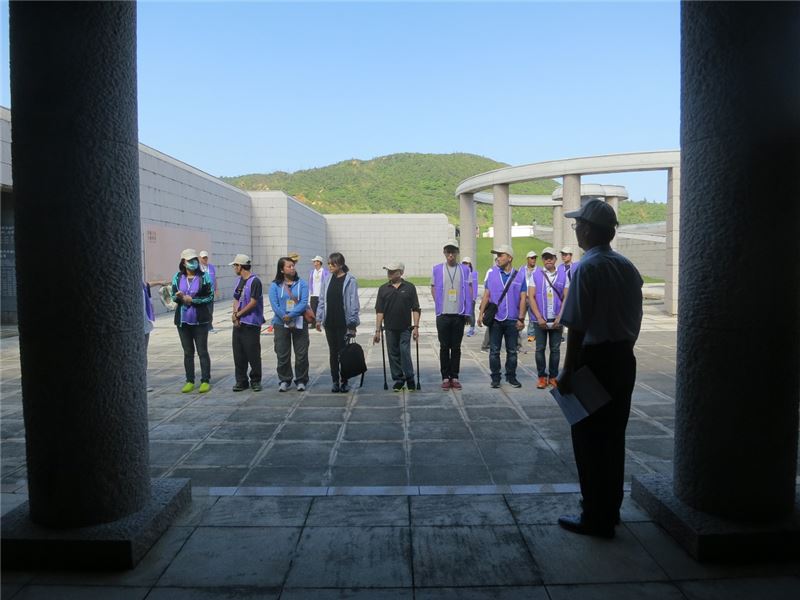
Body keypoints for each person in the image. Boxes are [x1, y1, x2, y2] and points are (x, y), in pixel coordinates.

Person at [556, 200, 643, 539]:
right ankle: (611, 510)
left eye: (578, 225)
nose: (576, 230)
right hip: (623, 358)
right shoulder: (627, 267)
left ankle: (595, 516)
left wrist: (566, 371)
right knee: (613, 438)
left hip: (594, 362)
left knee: (589, 440)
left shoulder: (587, 268)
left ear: (588, 230)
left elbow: (576, 326)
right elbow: (632, 320)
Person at [477, 244, 527, 389]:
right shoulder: (492, 273)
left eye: (500, 255)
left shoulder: (519, 275)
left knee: (512, 351)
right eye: (496, 255)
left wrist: (521, 318)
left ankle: (511, 377)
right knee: (494, 351)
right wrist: (480, 315)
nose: (497, 258)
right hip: (496, 319)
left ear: (509, 258)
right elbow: (486, 295)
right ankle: (495, 377)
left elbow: (523, 298)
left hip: (512, 319)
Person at [171, 248, 214, 393]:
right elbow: (172, 296)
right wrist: (179, 297)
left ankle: (205, 380)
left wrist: (193, 300)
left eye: (194, 260)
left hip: (200, 320)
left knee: (202, 351)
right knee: (188, 352)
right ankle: (189, 380)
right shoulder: (177, 277)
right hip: (183, 321)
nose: (193, 263)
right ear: (183, 262)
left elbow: (210, 296)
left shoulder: (204, 277)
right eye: (189, 261)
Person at [316, 252, 360, 392]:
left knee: (343, 353)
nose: (329, 266)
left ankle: (344, 380)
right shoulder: (327, 279)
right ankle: (335, 381)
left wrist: (352, 324)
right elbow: (322, 300)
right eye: (328, 264)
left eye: (332, 264)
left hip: (343, 323)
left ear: (340, 264)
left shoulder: (350, 280)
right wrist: (318, 318)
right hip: (330, 322)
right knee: (333, 353)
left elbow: (354, 303)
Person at [430, 241, 472, 389]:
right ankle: (445, 377)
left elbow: (469, 289)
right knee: (443, 346)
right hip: (443, 314)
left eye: (453, 251)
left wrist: (468, 312)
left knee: (456, 347)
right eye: (448, 251)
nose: (450, 255)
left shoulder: (464, 270)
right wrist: (439, 304)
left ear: (457, 252)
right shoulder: (437, 269)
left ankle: (454, 375)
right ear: (444, 252)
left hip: (458, 314)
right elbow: (433, 288)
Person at [375, 261, 421, 391]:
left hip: (405, 328)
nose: (389, 273)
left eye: (392, 271)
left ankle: (410, 377)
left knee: (404, 352)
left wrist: (416, 327)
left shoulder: (410, 287)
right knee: (393, 354)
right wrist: (377, 330)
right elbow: (379, 311)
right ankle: (399, 379)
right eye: (388, 270)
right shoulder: (383, 289)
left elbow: (416, 308)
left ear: (401, 272)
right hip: (389, 328)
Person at [268, 257, 310, 392]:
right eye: (289, 266)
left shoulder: (302, 283)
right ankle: (285, 379)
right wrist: (284, 317)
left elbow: (303, 302)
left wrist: (291, 316)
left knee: (301, 353)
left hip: (298, 322)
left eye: (293, 266)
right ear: (281, 269)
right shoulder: (275, 285)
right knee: (282, 353)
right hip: (281, 323)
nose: (292, 268)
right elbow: (274, 304)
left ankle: (301, 379)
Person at [529, 247, 569, 389]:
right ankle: (541, 377)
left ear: (555, 259)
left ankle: (553, 376)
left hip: (556, 319)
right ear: (542, 259)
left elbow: (566, 297)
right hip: (540, 320)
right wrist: (539, 317)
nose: (548, 260)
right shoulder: (536, 275)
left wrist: (561, 316)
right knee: (540, 349)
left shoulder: (563, 275)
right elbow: (531, 297)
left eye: (551, 257)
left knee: (555, 349)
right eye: (545, 257)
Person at [230, 254, 264, 392]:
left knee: (253, 353)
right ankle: (241, 380)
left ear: (240, 266)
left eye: (235, 266)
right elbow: (236, 299)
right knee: (238, 353)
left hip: (251, 323)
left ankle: (255, 380)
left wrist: (239, 314)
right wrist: (234, 315)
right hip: (239, 323)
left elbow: (253, 302)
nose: (234, 268)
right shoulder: (239, 281)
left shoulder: (255, 281)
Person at [199, 250, 219, 333]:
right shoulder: (198, 268)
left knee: (210, 310)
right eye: (203, 258)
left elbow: (214, 278)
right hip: (201, 293)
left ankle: (209, 327)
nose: (205, 259)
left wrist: (216, 289)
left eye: (206, 257)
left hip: (210, 292)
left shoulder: (211, 267)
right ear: (200, 258)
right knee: (202, 310)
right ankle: (202, 326)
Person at [308, 255, 329, 328]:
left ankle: (322, 321)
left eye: (315, 261)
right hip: (314, 294)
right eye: (314, 261)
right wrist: (310, 291)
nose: (314, 263)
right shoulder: (312, 272)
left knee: (321, 308)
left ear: (319, 262)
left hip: (321, 293)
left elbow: (326, 282)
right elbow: (310, 282)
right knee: (313, 308)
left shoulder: (325, 272)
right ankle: (313, 323)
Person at [522, 250, 538, 343]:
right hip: (524, 297)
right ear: (527, 259)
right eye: (532, 258)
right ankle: (518, 334)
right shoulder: (521, 270)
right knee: (521, 316)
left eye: (535, 258)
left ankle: (531, 335)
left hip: (533, 297)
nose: (534, 260)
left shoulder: (539, 270)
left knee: (532, 317)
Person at [461, 257, 479, 337]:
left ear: (470, 264)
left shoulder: (473, 274)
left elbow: (474, 286)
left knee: (471, 313)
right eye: (463, 263)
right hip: (463, 297)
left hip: (471, 297)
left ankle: (472, 328)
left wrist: (473, 297)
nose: (465, 265)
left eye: (466, 263)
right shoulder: (461, 273)